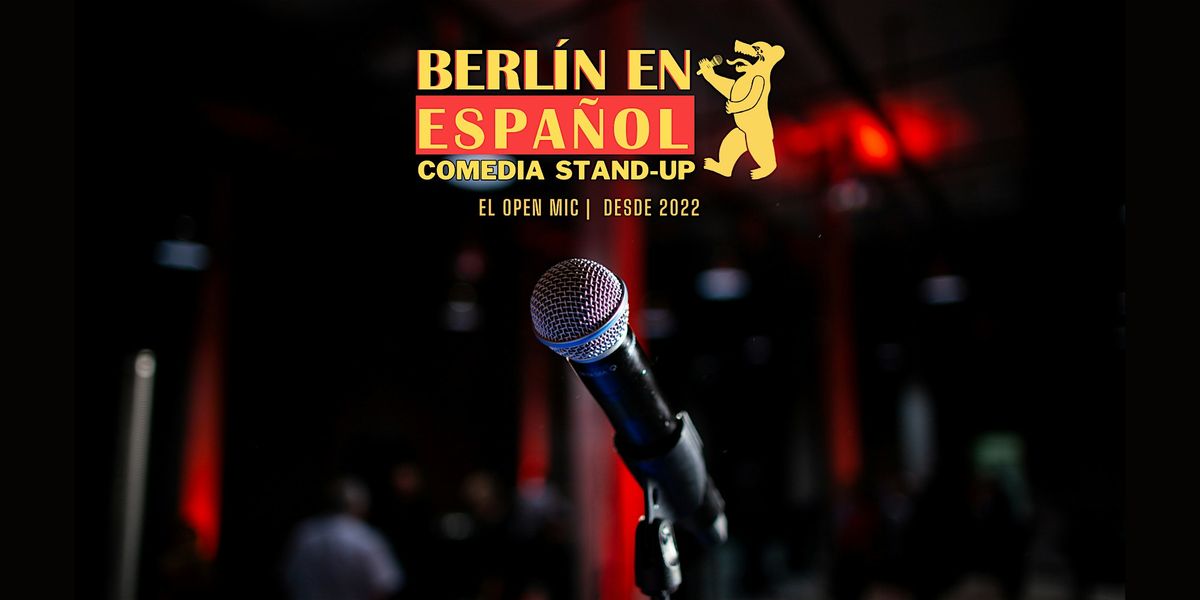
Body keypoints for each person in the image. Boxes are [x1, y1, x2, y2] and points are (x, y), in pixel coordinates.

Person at [283, 477, 404, 600]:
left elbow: (289, 576)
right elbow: (384, 585)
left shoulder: (304, 533)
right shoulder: (366, 537)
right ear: (358, 505)